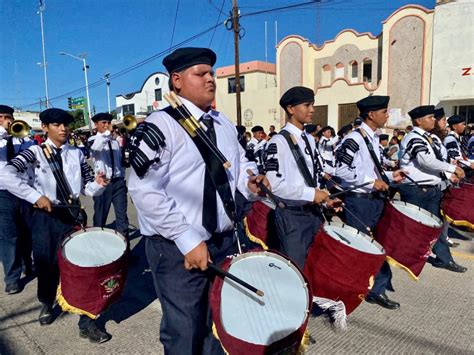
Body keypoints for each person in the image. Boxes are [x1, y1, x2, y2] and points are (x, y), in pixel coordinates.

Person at [127, 47, 269, 354]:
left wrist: (250, 180)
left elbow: (242, 163)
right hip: (178, 248)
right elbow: (144, 190)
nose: (210, 79)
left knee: (218, 321)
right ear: (177, 81)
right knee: (185, 329)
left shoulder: (223, 123)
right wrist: (187, 239)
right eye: (200, 74)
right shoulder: (160, 125)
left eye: (212, 73)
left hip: (223, 241)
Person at [0, 108, 111, 342]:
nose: (63, 129)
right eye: (57, 124)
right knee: (46, 264)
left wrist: (99, 184)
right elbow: (6, 174)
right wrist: (33, 196)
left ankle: (86, 321)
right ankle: (47, 302)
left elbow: (87, 186)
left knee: (81, 267)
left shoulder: (77, 154)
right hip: (45, 217)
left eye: (66, 125)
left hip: (71, 215)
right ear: (46, 127)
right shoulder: (34, 153)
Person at [334, 95, 405, 310]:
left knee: (379, 245)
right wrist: (370, 182)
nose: (387, 114)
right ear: (371, 114)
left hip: (375, 200)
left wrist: (392, 177)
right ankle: (349, 289)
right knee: (360, 247)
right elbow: (341, 170)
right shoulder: (354, 139)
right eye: (384, 111)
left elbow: (374, 170)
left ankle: (377, 290)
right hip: (360, 202)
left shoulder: (374, 137)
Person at [264, 86, 338, 269]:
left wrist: (324, 199)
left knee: (316, 265)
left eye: (312, 105)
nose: (312, 110)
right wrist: (311, 194)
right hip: (292, 216)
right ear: (291, 109)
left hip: (313, 212)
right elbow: (273, 185)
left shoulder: (310, 139)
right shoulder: (278, 142)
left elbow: (312, 176)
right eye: (306, 105)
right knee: (295, 269)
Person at [398, 105, 467, 273]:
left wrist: (448, 175)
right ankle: (405, 257)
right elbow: (426, 161)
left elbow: (437, 161)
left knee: (434, 226)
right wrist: (452, 169)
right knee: (417, 227)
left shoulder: (429, 138)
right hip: (417, 190)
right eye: (430, 117)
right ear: (418, 121)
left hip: (430, 189)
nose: (434, 120)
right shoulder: (413, 138)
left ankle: (444, 258)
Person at [0, 104, 34, 295]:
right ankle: (12, 278)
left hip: (24, 191)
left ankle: (27, 263)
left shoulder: (23, 138)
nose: (7, 121)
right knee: (9, 236)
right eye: (2, 117)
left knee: (27, 231)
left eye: (9, 117)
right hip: (3, 193)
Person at [88, 113, 129, 237]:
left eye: (108, 123)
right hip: (103, 184)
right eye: (103, 123)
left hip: (118, 183)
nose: (107, 125)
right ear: (96, 125)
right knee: (100, 218)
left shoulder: (115, 142)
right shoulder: (93, 140)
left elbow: (119, 161)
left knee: (122, 219)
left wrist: (122, 175)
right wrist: (107, 134)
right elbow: (96, 148)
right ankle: (98, 248)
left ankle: (125, 252)